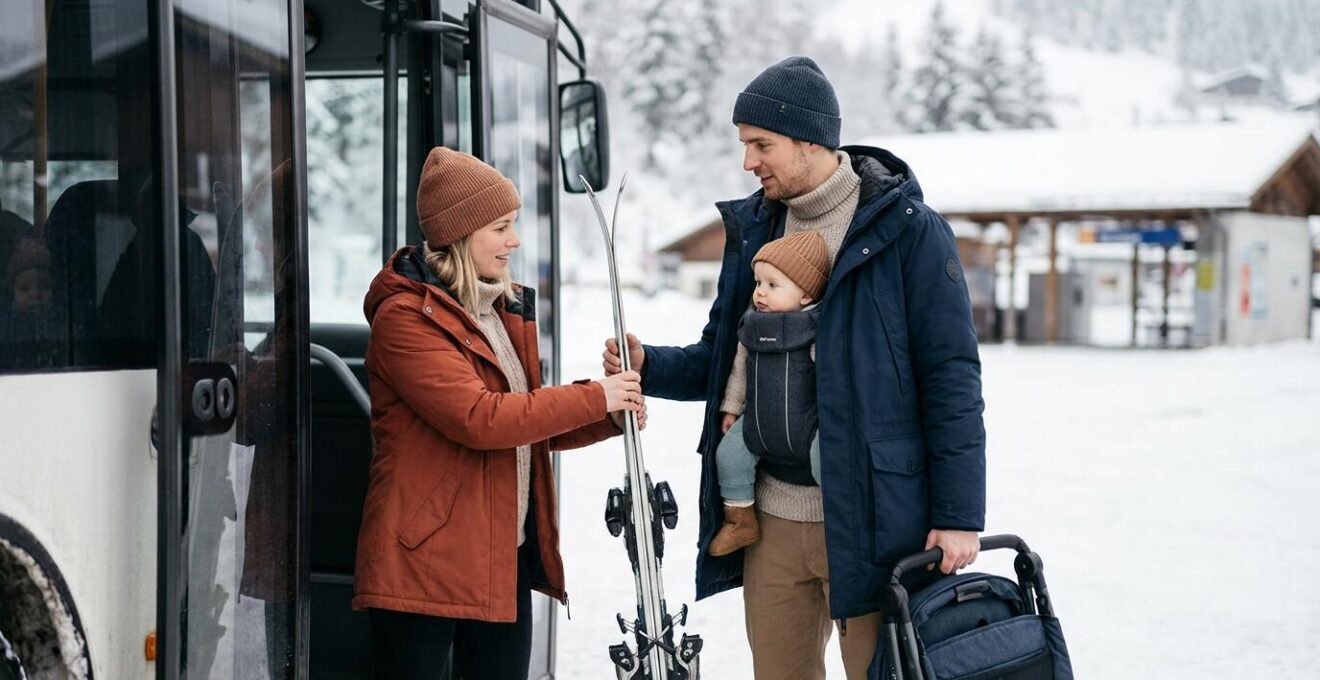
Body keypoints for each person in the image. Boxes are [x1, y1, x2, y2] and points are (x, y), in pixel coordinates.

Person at [603, 56, 986, 680]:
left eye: (762, 145)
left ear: (810, 140)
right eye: (744, 145)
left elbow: (951, 380)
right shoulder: (756, 229)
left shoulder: (909, 232)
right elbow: (723, 357)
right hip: (772, 520)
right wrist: (649, 365)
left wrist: (958, 515)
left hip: (874, 521)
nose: (747, 162)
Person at [354, 147, 645, 679]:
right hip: (424, 560)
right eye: (501, 228)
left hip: (498, 552)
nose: (515, 241)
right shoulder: (405, 318)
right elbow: (481, 418)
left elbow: (522, 423)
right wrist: (594, 396)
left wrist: (607, 414)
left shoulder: (492, 309)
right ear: (462, 234)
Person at [708, 230, 830, 557]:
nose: (760, 292)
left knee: (829, 459)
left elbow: (832, 379)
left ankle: (844, 514)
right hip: (758, 420)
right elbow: (740, 370)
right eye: (758, 283)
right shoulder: (752, 326)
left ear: (805, 295)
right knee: (728, 455)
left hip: (809, 424)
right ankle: (741, 520)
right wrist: (732, 407)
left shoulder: (815, 330)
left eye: (773, 285)